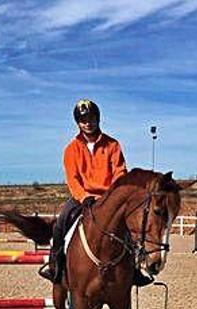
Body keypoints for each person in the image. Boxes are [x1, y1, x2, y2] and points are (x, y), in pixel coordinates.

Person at [39, 99, 154, 286]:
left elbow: (119, 172)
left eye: (91, 118)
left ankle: (134, 269)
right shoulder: (71, 149)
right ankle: (55, 266)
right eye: (83, 120)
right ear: (78, 123)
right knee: (61, 223)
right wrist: (84, 196)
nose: (88, 123)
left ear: (98, 119)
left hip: (109, 198)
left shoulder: (113, 145)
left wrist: (113, 195)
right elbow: (73, 178)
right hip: (82, 198)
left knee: (130, 226)